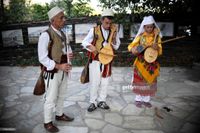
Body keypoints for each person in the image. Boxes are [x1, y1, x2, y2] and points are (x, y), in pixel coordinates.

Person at [38, 6, 74, 132]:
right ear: (53, 20)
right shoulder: (45, 35)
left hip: (64, 69)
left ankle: (59, 114)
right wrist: (58, 66)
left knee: (62, 95)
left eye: (64, 17)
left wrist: (69, 54)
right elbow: (42, 58)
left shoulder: (63, 33)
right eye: (61, 18)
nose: (64, 19)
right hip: (52, 72)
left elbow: (66, 48)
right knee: (51, 97)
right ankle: (47, 122)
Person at [81, 9, 120, 112]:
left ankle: (101, 100)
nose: (108, 25)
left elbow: (116, 46)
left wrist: (115, 38)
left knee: (105, 82)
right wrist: (90, 46)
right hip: (96, 60)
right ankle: (92, 102)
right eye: (106, 23)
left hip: (107, 60)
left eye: (110, 23)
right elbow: (84, 42)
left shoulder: (114, 31)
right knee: (95, 81)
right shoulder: (94, 30)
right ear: (102, 20)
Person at [128, 15, 162, 108]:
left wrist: (157, 47)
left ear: (153, 27)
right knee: (140, 81)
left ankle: (146, 100)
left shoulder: (157, 37)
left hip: (152, 63)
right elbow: (131, 46)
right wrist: (137, 48)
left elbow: (160, 51)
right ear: (144, 27)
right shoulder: (140, 36)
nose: (149, 28)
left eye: (151, 26)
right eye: (147, 27)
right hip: (141, 63)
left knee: (149, 81)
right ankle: (138, 99)